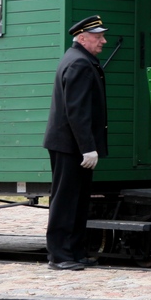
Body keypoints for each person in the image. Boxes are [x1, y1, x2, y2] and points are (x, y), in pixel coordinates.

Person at [42, 15, 109, 271]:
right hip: (70, 145)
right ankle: (59, 256)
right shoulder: (79, 63)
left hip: (71, 144)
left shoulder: (79, 59)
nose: (103, 41)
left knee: (78, 199)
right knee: (66, 200)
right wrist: (87, 147)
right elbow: (77, 111)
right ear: (82, 38)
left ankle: (74, 252)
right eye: (98, 37)